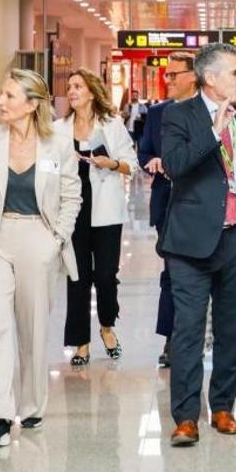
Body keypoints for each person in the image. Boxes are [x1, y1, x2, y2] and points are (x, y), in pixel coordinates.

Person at [0, 69, 82, 449]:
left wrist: (56, 239)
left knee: (32, 328)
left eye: (9, 96)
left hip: (37, 238)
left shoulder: (57, 142)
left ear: (32, 103)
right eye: (1, 94)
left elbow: (71, 196)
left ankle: (29, 404)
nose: (0, 102)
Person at [158, 42, 236, 446]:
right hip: (190, 243)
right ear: (211, 78)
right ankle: (186, 417)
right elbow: (176, 166)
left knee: (229, 327)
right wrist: (214, 131)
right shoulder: (178, 116)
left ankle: (222, 407)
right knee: (187, 330)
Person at [57, 70, 138, 365]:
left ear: (92, 91)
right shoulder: (59, 128)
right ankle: (81, 342)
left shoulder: (112, 125)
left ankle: (106, 326)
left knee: (105, 276)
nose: (72, 91)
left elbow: (132, 165)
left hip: (106, 210)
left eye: (78, 86)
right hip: (73, 210)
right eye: (70, 87)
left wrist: (112, 163)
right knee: (77, 277)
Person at [138, 52, 199, 368]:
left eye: (174, 74)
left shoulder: (207, 111)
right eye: (167, 74)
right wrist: (152, 162)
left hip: (202, 208)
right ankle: (171, 338)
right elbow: (144, 151)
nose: (168, 80)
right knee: (173, 274)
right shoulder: (157, 113)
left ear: (194, 75)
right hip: (168, 205)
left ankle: (198, 336)